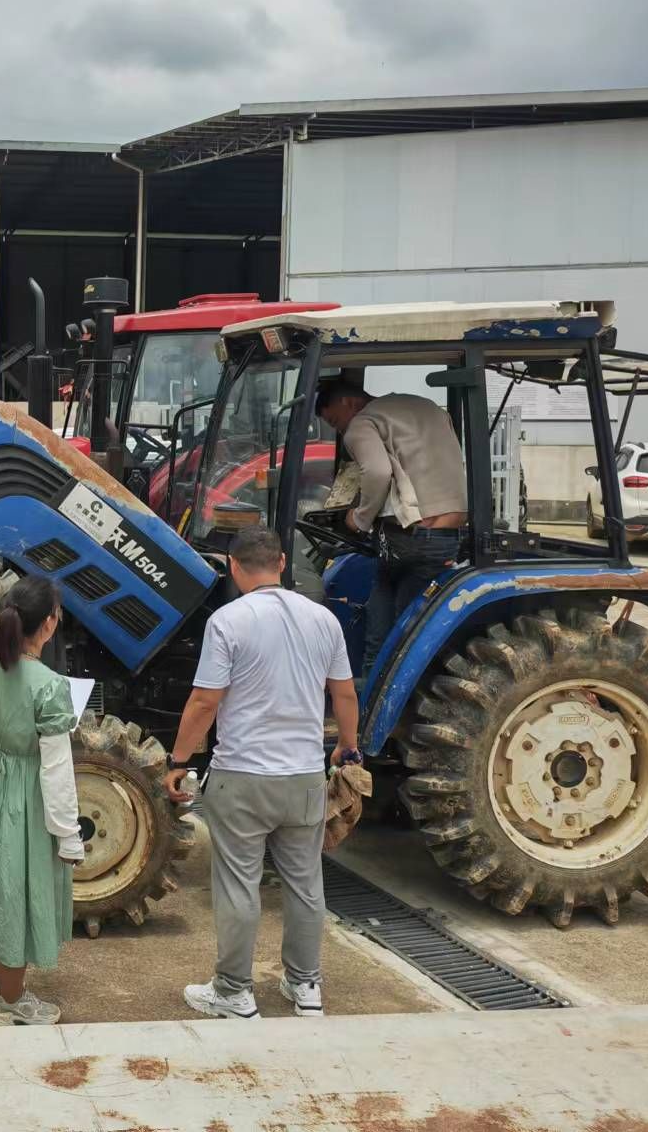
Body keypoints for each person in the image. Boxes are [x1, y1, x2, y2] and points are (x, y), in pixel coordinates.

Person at [163, 527, 359, 1020]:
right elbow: (345, 693)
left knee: (238, 885)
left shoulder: (228, 621)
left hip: (243, 775)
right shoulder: (323, 619)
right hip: (304, 777)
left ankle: (233, 991)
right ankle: (306, 986)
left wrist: (179, 761)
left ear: (233, 565)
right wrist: (348, 751)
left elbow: (206, 700)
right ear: (282, 561)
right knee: (305, 884)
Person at [0, 575, 85, 1026]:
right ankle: (10, 1002)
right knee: (18, 891)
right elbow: (57, 768)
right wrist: (68, 834)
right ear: (49, 624)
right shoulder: (48, 685)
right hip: (25, 793)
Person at [314, 379, 467, 674]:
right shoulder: (425, 407)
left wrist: (358, 518)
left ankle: (373, 709)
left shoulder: (362, 422)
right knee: (396, 624)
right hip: (447, 535)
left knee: (391, 642)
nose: (340, 430)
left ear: (349, 402)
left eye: (334, 421)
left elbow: (378, 471)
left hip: (409, 539)